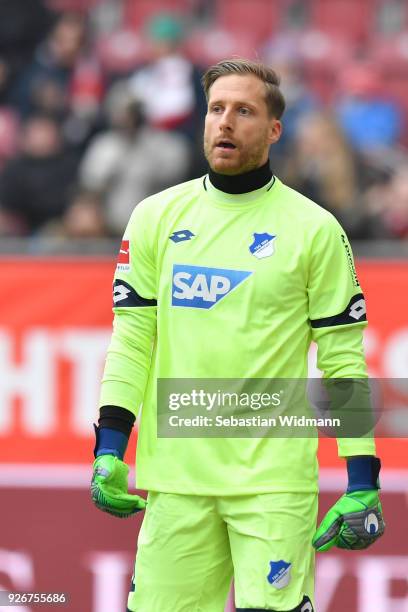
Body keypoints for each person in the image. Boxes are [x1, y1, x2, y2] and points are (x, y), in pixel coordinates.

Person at [91, 59, 385, 612]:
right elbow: (132, 342)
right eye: (216, 109)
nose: (225, 123)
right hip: (177, 481)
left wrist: (362, 478)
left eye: (244, 111)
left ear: (274, 130)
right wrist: (109, 447)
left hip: (274, 486)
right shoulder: (155, 218)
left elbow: (343, 362)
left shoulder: (315, 230)